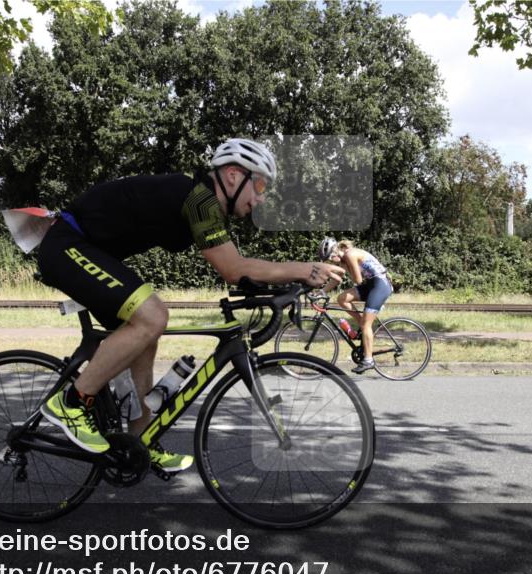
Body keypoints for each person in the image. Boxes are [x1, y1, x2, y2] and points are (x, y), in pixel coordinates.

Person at [35, 139, 345, 472]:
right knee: (154, 315)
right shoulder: (199, 199)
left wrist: (289, 284)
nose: (260, 197)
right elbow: (233, 268)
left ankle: (140, 440)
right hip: (67, 245)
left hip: (92, 251)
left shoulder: (201, 201)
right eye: (258, 184)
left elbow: (239, 271)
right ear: (231, 176)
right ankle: (72, 403)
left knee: (145, 334)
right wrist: (304, 270)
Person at [317, 237, 393, 373]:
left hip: (380, 284)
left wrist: (345, 268)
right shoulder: (344, 259)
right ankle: (363, 328)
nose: (330, 262)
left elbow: (358, 280)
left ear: (334, 254)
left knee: (366, 324)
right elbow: (336, 280)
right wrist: (322, 292)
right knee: (342, 299)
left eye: (329, 259)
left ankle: (369, 360)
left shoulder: (349, 255)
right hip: (371, 285)